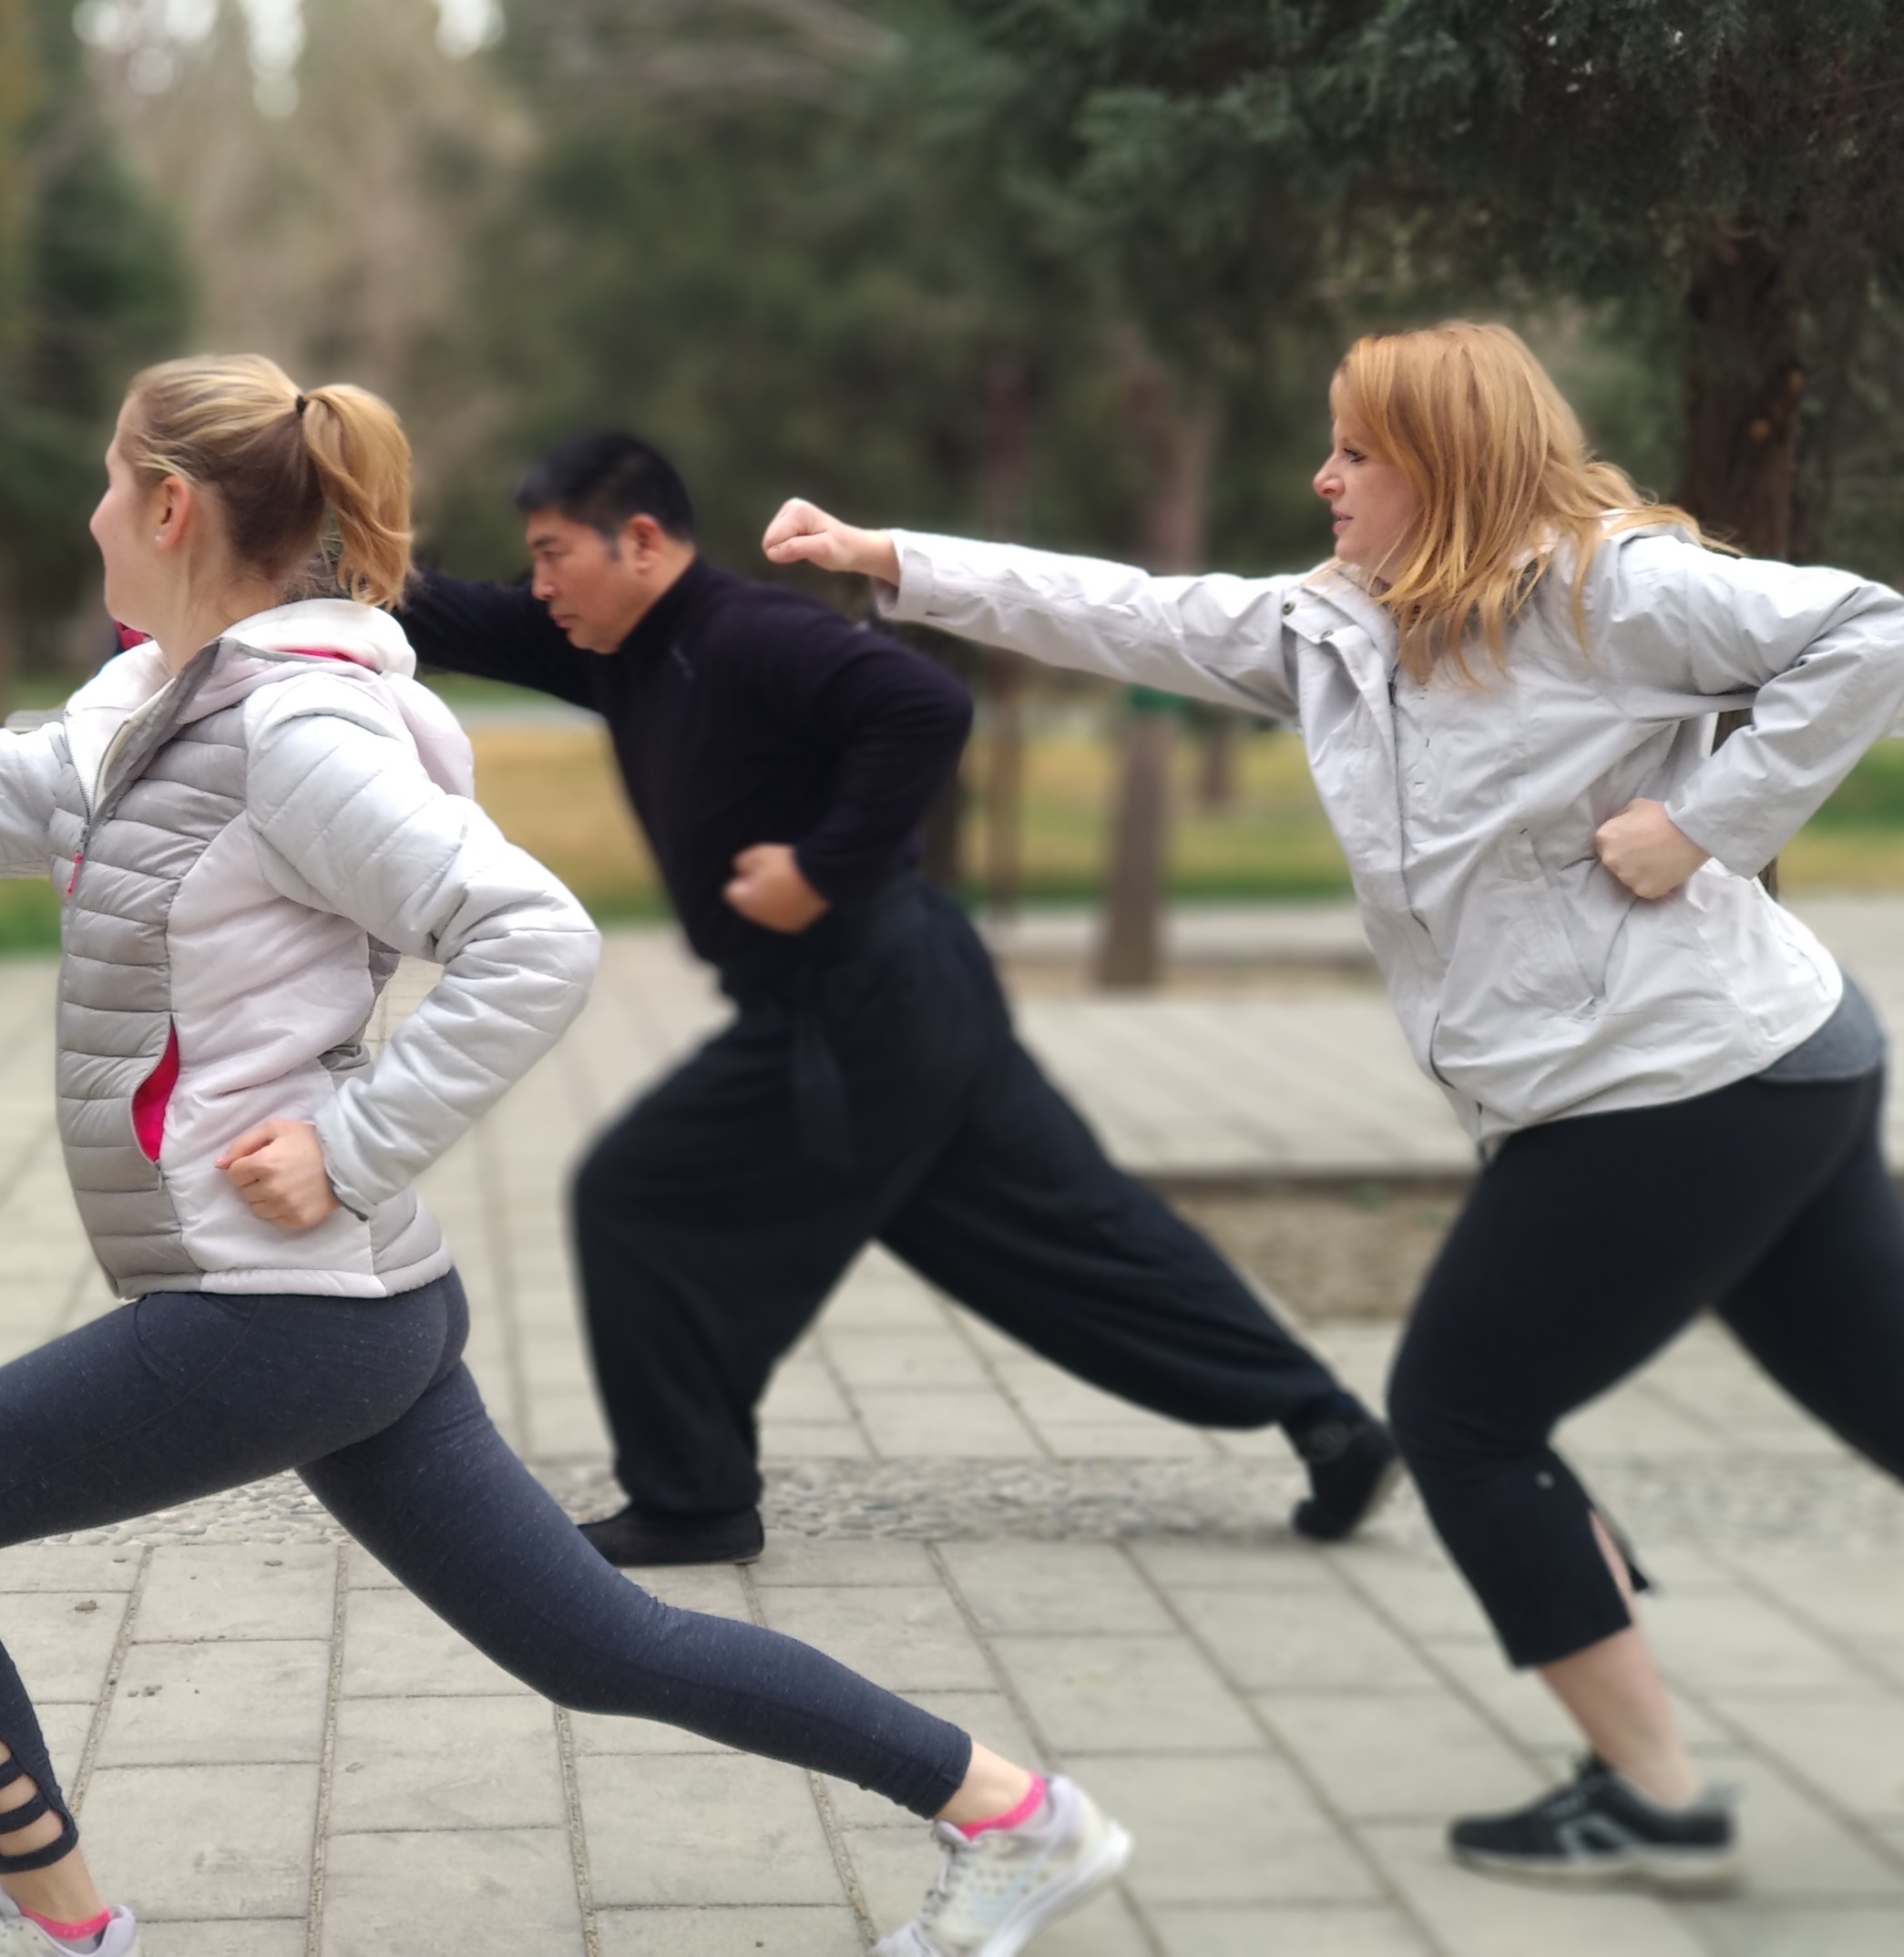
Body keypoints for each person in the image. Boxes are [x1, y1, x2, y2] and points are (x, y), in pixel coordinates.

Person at [0, 357, 1131, 1957]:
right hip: (351, 1312)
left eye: (110, 477)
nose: (89, 508)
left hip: (279, 1310)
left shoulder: (293, 737)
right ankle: (1017, 1815)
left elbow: (532, 938)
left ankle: (58, 1920)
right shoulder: (151, 713)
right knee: (600, 1647)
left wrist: (350, 1137)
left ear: (169, 506)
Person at [763, 320, 1904, 1889]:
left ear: (1443, 465)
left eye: (1357, 452)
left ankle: (1653, 1797)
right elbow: (1121, 609)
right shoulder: (1332, 631)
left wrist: (1706, 823)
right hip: (1756, 1071)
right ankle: (1629, 1733)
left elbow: (1873, 633)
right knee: (1893, 1402)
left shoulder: (1606, 589)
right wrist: (889, 556)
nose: (1323, 477)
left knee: (1460, 1412)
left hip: (1686, 1085)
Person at [402, 433, 1398, 1570]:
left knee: (635, 1195)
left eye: (552, 555)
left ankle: (692, 1501)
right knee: (1073, 1234)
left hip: (866, 1001)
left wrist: (821, 868)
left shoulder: (747, 633)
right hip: (909, 999)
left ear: (640, 542)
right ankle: (1329, 1424)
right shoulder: (618, 645)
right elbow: (448, 617)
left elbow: (922, 703)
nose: (538, 587)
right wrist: (306, 554)